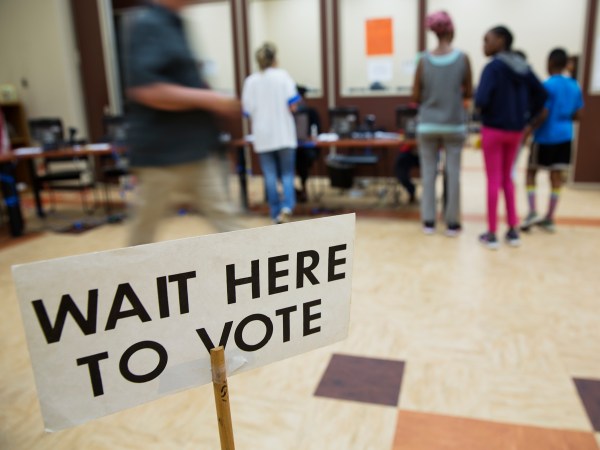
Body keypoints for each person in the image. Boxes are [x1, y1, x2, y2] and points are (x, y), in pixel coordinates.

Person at [124, 0, 242, 246]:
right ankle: (128, 281)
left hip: (197, 151)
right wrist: (210, 99)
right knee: (143, 234)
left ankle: (254, 274)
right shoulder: (148, 24)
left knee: (228, 222)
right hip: (160, 155)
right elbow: (147, 90)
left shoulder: (177, 24)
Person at [475, 26, 547, 250]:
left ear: (501, 40)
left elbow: (481, 99)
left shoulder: (493, 68)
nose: (484, 45)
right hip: (516, 131)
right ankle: (513, 230)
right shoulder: (523, 67)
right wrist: (527, 118)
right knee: (508, 178)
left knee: (493, 179)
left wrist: (485, 111)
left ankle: (492, 233)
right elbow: (542, 94)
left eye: (487, 40)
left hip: (493, 130)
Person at [412, 11, 472, 236]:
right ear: (451, 30)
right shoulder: (463, 58)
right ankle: (452, 223)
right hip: (454, 125)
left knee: (428, 174)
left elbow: (416, 95)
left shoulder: (423, 60)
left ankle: (428, 221)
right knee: (453, 173)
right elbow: (469, 91)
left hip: (427, 125)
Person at [521, 48, 584, 232]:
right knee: (556, 177)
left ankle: (532, 210)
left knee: (531, 172)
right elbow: (579, 115)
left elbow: (544, 113)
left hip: (544, 137)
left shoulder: (547, 85)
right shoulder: (574, 86)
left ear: (550, 63)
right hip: (565, 136)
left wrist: (529, 130)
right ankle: (549, 217)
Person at [242, 43, 300, 223]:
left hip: (263, 135)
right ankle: (287, 207)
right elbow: (293, 105)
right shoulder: (283, 76)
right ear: (275, 58)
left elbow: (247, 110)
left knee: (270, 174)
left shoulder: (251, 81)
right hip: (284, 134)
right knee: (287, 173)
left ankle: (275, 212)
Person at [294, 85, 321, 203]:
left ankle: (302, 189)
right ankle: (295, 190)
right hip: (290, 148)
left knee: (303, 159)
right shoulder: (285, 114)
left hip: (305, 149)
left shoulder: (311, 112)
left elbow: (318, 131)